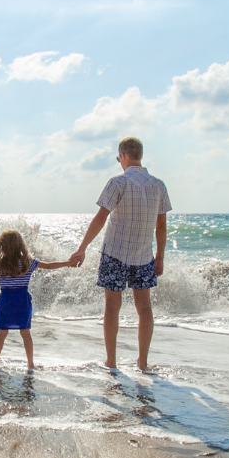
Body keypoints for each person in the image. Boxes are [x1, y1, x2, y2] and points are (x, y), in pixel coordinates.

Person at [68, 137, 171, 372]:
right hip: (144, 256)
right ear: (140, 156)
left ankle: (112, 362)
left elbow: (100, 218)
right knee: (144, 308)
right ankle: (142, 363)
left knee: (112, 307)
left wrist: (82, 247)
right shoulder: (158, 185)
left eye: (118, 158)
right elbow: (161, 227)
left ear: (123, 156)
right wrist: (161, 257)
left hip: (115, 253)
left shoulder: (118, 183)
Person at [0, 229, 72, 369]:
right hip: (22, 301)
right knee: (25, 333)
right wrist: (67, 263)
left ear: (2, 246)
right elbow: (49, 265)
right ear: (20, 244)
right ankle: (31, 364)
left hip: (5, 301)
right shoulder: (28, 262)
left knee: (2, 333)